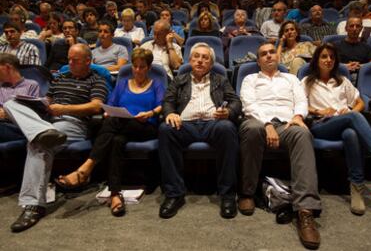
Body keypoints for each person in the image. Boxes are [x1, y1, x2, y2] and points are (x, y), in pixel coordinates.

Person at [4, 43, 108, 232]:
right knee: (11, 103)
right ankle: (43, 131)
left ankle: (33, 206)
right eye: (68, 59)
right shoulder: (60, 78)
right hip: (49, 120)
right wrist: (38, 104)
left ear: (87, 61)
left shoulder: (97, 80)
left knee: (38, 144)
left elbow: (95, 107)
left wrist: (64, 109)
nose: (69, 63)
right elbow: (49, 101)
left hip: (73, 123)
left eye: (74, 60)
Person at [302, 43, 371, 215]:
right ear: (316, 60)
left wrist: (348, 113)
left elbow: (360, 102)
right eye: (324, 56)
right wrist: (319, 110)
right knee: (354, 119)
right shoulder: (307, 81)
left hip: (343, 122)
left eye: (332, 57)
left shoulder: (343, 81)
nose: (328, 60)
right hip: (320, 124)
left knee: (351, 133)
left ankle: (357, 189)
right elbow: (299, 105)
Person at [55, 48, 165, 216]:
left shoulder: (156, 84)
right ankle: (115, 194)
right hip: (121, 127)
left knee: (112, 122)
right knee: (116, 140)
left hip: (145, 126)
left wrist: (151, 113)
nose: (137, 70)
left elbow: (161, 105)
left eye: (142, 67)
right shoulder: (122, 84)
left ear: (149, 68)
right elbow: (110, 104)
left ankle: (86, 168)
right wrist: (107, 112)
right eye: (135, 66)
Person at [238, 42, 321, 249]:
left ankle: (305, 210)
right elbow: (248, 104)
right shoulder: (250, 79)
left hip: (287, 123)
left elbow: (301, 100)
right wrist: (266, 124)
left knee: (302, 134)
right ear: (258, 60)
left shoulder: (292, 79)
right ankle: (247, 192)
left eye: (271, 52)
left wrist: (298, 116)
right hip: (257, 121)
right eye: (263, 54)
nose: (268, 56)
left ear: (278, 56)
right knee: (252, 129)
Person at [158, 42, 241, 220]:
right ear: (190, 60)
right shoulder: (179, 80)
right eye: (196, 56)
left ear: (211, 63)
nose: (200, 61)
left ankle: (227, 195)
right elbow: (167, 101)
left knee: (228, 128)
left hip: (213, 123)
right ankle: (174, 194)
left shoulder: (221, 79)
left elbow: (235, 101)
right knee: (166, 129)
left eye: (205, 58)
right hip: (186, 124)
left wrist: (228, 112)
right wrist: (170, 113)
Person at [0, 53, 40, 142]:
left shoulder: (31, 85)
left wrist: (7, 114)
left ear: (7, 67)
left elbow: (32, 113)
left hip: (18, 128)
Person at [334, 16, 371, 82]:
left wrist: (361, 66)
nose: (354, 29)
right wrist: (344, 66)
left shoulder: (365, 46)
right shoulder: (336, 45)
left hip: (361, 76)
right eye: (351, 26)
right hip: (341, 75)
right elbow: (329, 62)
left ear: (361, 29)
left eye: (357, 26)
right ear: (346, 28)